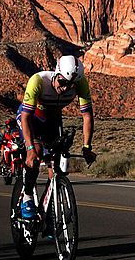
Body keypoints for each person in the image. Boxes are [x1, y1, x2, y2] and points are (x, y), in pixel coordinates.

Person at [17, 55, 98, 220]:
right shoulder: (38, 80)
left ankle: (49, 211)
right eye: (62, 83)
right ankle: (27, 198)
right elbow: (25, 118)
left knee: (55, 164)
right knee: (37, 153)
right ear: (56, 73)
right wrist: (31, 148)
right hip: (32, 119)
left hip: (53, 120)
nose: (66, 88)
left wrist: (87, 147)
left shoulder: (81, 83)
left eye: (71, 85)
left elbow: (87, 117)